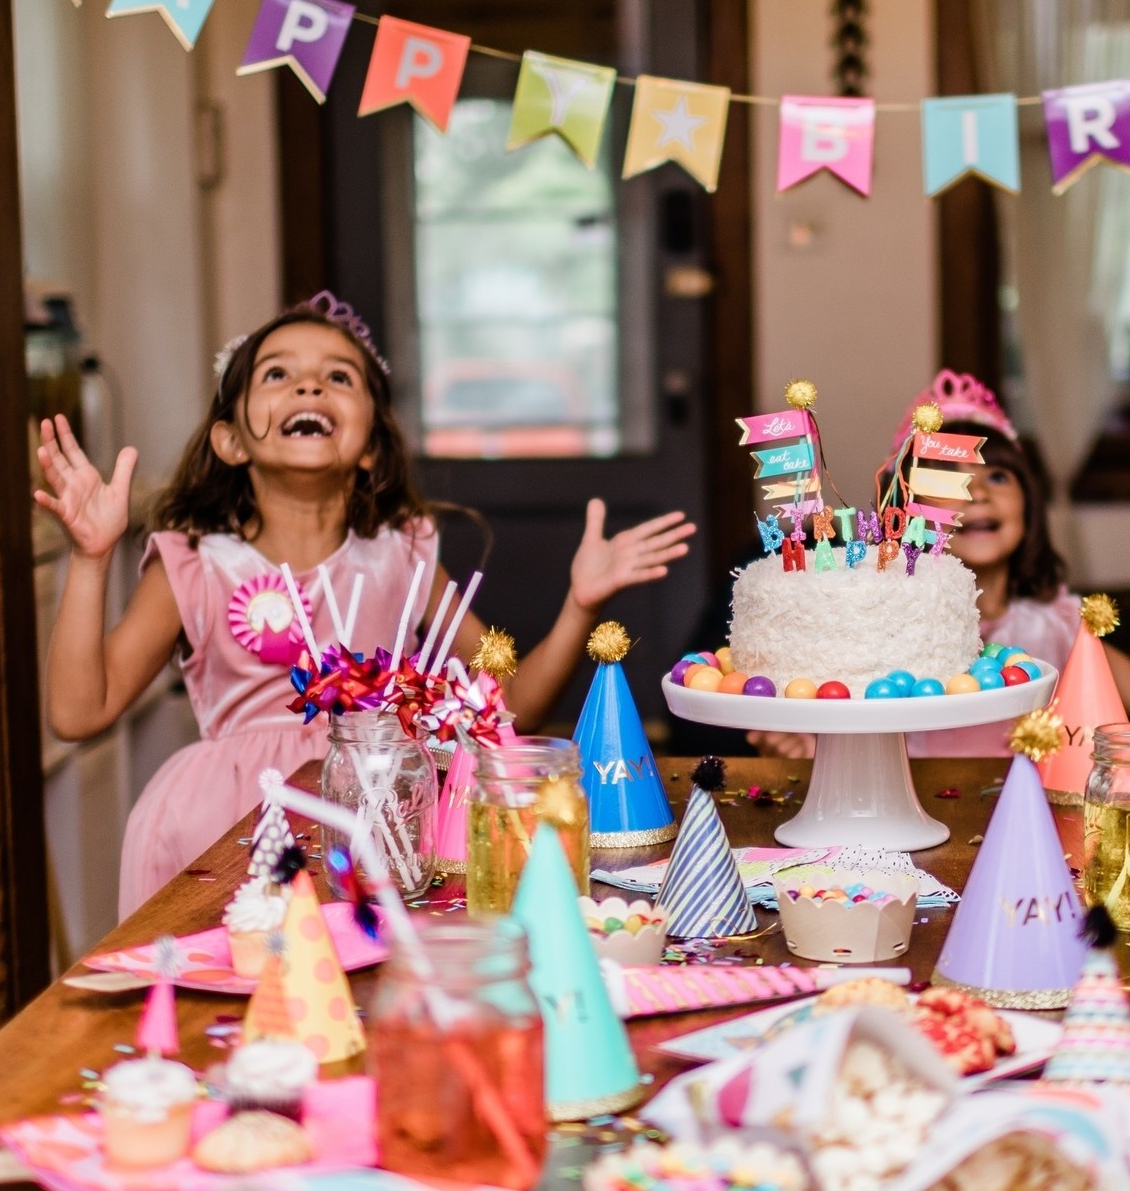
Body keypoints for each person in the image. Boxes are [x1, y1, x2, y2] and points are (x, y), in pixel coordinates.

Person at [37, 293, 694, 915]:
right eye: (277, 375)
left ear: (372, 446)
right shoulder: (194, 563)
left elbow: (511, 703)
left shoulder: (403, 556)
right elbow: (76, 712)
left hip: (381, 810)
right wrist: (91, 559)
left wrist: (578, 605)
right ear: (229, 441)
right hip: (220, 831)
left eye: (338, 378)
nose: (309, 387)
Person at [751, 368, 1130, 760]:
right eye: (951, 480)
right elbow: (833, 722)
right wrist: (803, 739)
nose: (978, 494)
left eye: (999, 478)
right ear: (907, 511)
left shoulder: (1058, 623)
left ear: (1030, 503)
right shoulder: (874, 622)